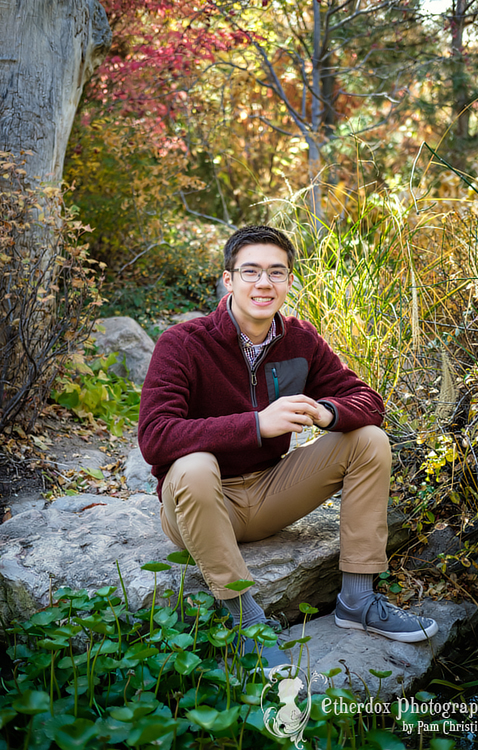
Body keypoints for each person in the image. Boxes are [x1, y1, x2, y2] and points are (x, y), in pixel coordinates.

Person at [138, 225, 438, 668]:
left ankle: (357, 600)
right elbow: (156, 436)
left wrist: (325, 412)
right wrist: (256, 424)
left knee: (368, 439)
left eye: (276, 273)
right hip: (197, 504)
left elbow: (368, 402)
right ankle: (246, 621)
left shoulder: (299, 338)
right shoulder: (182, 343)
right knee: (197, 465)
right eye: (251, 271)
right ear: (229, 280)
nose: (264, 283)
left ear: (289, 281)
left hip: (269, 493)